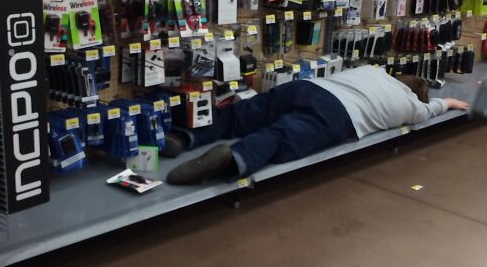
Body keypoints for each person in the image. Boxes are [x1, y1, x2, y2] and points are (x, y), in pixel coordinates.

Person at [165, 67, 469, 185]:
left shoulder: (372, 71)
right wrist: (450, 103)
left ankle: (184, 136)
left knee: (242, 114)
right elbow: (429, 111)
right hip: (338, 114)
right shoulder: (411, 105)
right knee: (278, 138)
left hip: (307, 88)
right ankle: (233, 158)